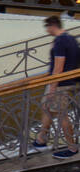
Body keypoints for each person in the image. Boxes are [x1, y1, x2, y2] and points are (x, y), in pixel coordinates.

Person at [33, 14, 80, 158]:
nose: (47, 30)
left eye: (47, 27)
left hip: (60, 83)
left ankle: (72, 148)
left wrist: (52, 86)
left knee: (61, 115)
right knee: (47, 107)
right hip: (69, 81)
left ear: (52, 26)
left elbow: (59, 66)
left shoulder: (60, 41)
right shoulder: (71, 38)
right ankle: (41, 139)